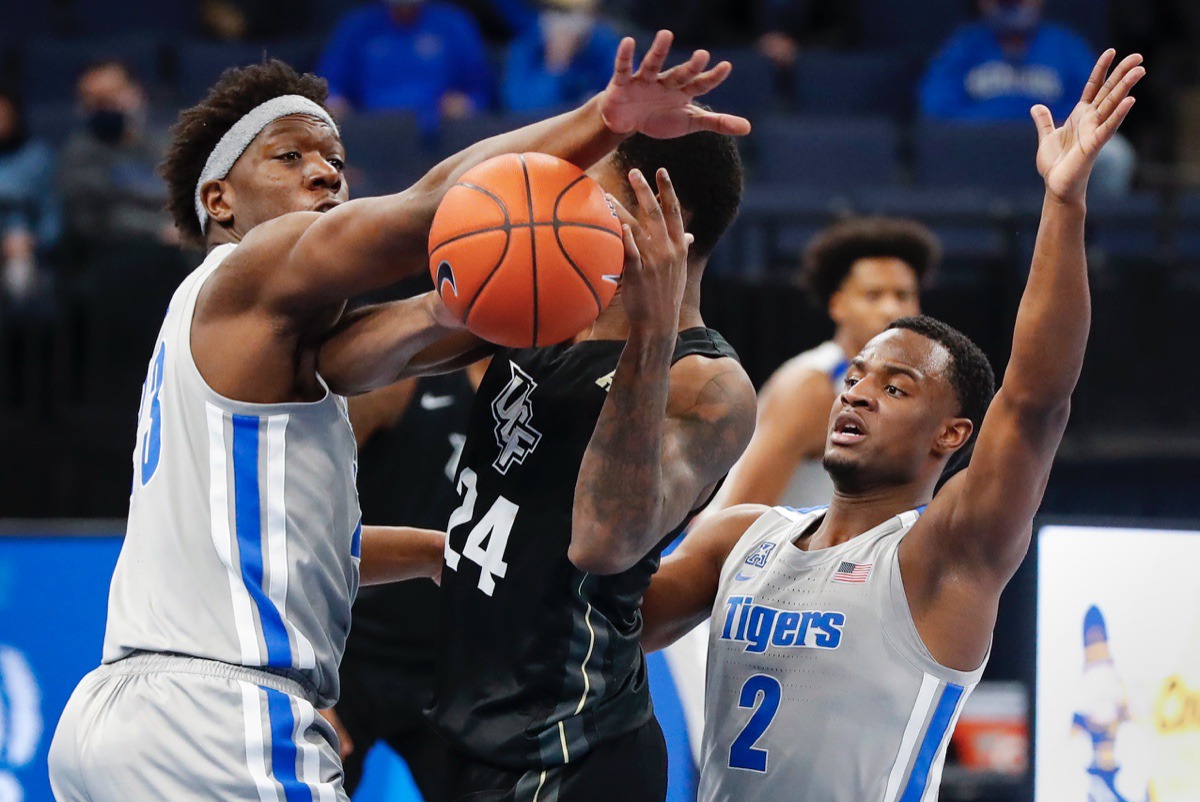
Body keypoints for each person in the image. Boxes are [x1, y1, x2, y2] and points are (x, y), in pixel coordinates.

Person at [48, 31, 751, 801]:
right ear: (218, 200)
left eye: (336, 164)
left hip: (115, 713)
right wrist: (604, 118)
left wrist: (432, 551)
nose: (324, 174)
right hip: (220, 715)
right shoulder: (253, 267)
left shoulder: (261, 345)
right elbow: (439, 203)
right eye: (289, 158)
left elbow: (312, 514)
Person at [640, 49, 1143, 801]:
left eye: (897, 387)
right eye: (856, 378)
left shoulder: (942, 556)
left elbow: (1037, 399)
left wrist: (1063, 204)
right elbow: (601, 624)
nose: (857, 396)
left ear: (952, 435)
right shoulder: (737, 538)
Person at [318, 125, 757, 802]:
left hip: (572, 742)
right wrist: (445, 301)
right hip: (471, 722)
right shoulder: (545, 306)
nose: (566, 200)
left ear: (658, 215)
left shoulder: (707, 383)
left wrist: (649, 334)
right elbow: (338, 366)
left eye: (591, 190)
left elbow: (605, 542)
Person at [324, 359, 489, 799]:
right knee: (294, 769)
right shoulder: (400, 378)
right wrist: (299, 678)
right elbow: (294, 516)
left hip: (462, 670)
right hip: (349, 654)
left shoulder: (556, 399)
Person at [712, 217, 938, 511]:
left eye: (903, 295)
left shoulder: (910, 393)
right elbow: (739, 512)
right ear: (838, 304)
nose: (891, 309)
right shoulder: (811, 387)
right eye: (873, 295)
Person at [920, 0, 1135, 194]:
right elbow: (935, 108)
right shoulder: (963, 45)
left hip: (1058, 139)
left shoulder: (1065, 45)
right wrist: (1005, 129)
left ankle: (1092, 232)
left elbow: (1092, 107)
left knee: (1115, 155)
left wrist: (1055, 127)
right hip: (979, 147)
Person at [317, 0, 493, 134]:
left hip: (435, 134)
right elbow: (329, 86)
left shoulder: (454, 24)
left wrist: (467, 104)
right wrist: (335, 102)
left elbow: (482, 91)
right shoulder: (357, 27)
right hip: (372, 131)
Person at [57, 60, 176, 252]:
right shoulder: (79, 156)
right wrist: (159, 229)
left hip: (177, 249)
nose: (106, 108)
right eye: (97, 101)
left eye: (112, 97)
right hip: (113, 255)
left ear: (135, 94)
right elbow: (98, 220)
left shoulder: (164, 144)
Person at [501, 0, 622, 113]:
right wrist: (556, 63)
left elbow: (622, 101)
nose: (562, 22)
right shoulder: (527, 46)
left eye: (569, 13)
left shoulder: (606, 46)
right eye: (555, 10)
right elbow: (521, 112)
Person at [0, 87, 60, 303]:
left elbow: (52, 218)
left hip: (27, 256)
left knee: (19, 273)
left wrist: (32, 242)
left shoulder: (38, 158)